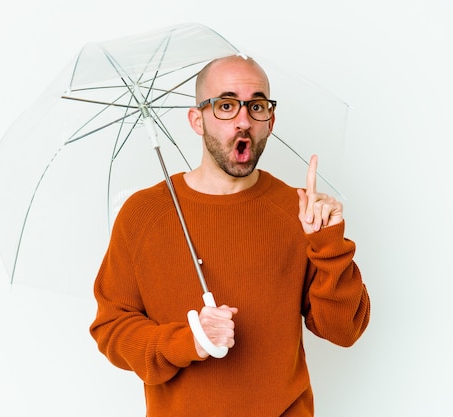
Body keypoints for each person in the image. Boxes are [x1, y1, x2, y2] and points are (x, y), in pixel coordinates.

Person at [89, 54, 370, 417]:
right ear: (197, 119)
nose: (243, 121)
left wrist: (328, 245)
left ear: (270, 121)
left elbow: (344, 331)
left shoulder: (298, 212)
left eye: (256, 106)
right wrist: (188, 341)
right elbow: (111, 328)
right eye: (225, 105)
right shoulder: (143, 214)